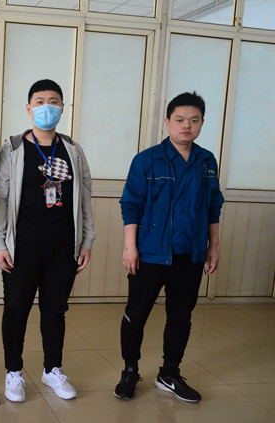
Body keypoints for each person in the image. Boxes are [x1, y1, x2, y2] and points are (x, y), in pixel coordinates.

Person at [0, 79, 95, 403]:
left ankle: (52, 369)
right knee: (16, 309)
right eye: (39, 101)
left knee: (55, 310)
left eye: (53, 101)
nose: (46, 106)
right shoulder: (13, 148)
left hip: (63, 247)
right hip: (22, 247)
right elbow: (0, 199)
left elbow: (84, 199)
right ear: (28, 108)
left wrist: (87, 240)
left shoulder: (73, 150)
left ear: (62, 108)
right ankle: (14, 372)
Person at [115, 91, 224, 403]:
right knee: (136, 315)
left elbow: (213, 206)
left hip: (190, 254)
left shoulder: (206, 161)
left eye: (194, 120)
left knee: (181, 317)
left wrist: (213, 246)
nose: (186, 126)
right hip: (150, 253)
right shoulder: (147, 160)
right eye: (180, 120)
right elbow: (131, 205)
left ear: (202, 123)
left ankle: (169, 373)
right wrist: (130, 247)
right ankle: (130, 371)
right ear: (167, 122)